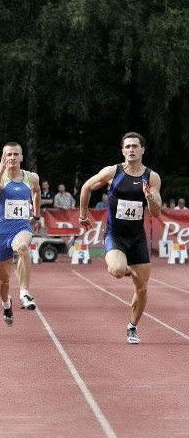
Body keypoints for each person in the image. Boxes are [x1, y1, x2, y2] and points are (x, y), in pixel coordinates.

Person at [79, 132, 162, 344]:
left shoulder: (152, 177)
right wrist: (82, 215)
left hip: (137, 238)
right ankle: (123, 266)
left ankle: (132, 326)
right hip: (115, 235)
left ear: (143, 149)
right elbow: (86, 187)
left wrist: (149, 197)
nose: (132, 150)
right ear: (123, 150)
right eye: (128, 147)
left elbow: (156, 212)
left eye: (135, 146)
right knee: (117, 270)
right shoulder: (112, 172)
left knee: (142, 288)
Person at [0, 142, 41, 326]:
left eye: (16, 154)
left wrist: (37, 214)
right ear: (3, 157)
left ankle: (24, 292)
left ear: (22, 157)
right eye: (8, 154)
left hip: (21, 228)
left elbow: (37, 192)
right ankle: (6, 303)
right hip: (1, 233)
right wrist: (1, 172)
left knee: (23, 247)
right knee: (2, 282)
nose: (12, 158)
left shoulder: (31, 178)